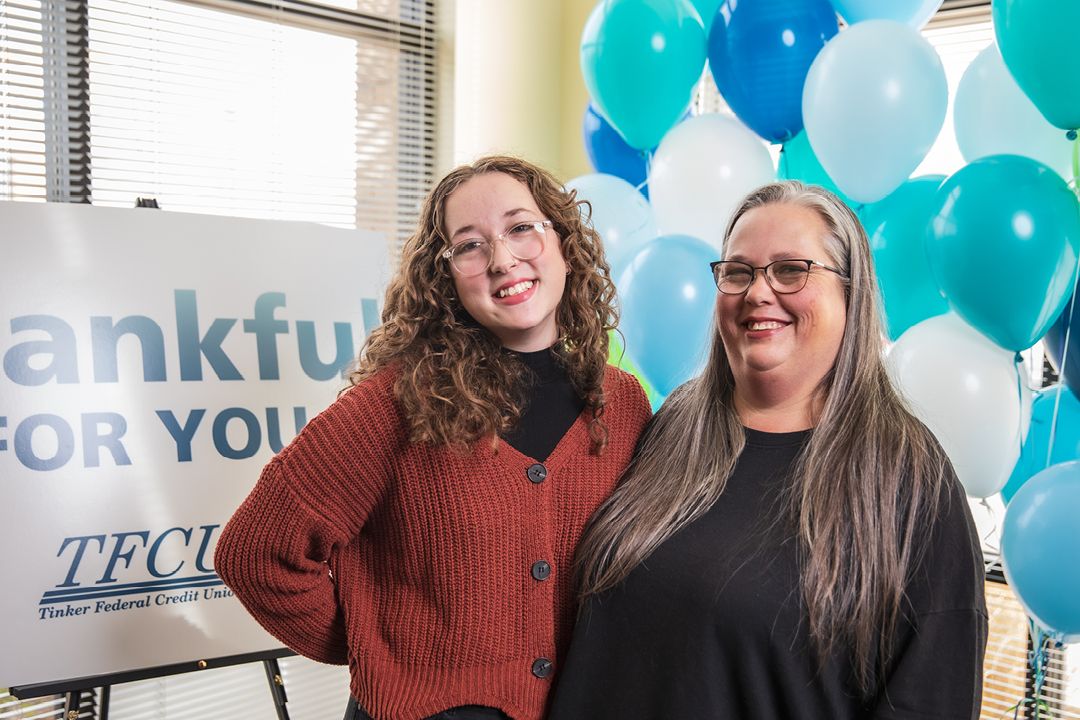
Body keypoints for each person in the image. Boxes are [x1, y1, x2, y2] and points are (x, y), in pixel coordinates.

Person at [214, 155, 651, 720]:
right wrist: (377, 643)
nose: (501, 259)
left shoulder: (620, 404)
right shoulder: (395, 405)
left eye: (522, 227)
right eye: (469, 245)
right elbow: (255, 552)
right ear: (444, 277)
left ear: (564, 241)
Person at [549, 180, 988, 719]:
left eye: (790, 270)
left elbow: (932, 700)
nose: (758, 292)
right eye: (738, 272)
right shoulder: (672, 429)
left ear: (851, 294)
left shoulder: (907, 477)